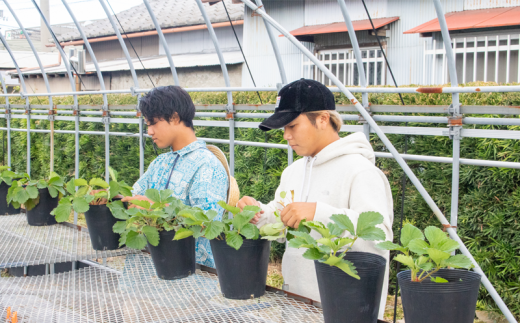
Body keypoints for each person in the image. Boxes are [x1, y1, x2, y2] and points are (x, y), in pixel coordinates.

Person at [237, 79, 394, 319]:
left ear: (322, 119)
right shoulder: (294, 172)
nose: (286, 136)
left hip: (345, 308)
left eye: (292, 125)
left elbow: (379, 237)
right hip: (297, 303)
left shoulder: (360, 170)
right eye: (283, 128)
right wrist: (257, 213)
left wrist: (318, 213)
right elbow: (282, 224)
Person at [123, 85, 229, 268]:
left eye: (153, 123)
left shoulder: (207, 165)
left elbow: (207, 223)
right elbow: (133, 197)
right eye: (147, 124)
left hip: (192, 275)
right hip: (154, 267)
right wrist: (110, 196)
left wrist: (153, 207)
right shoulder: (160, 163)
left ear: (174, 117)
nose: (149, 131)